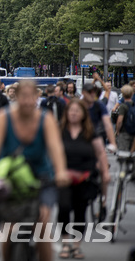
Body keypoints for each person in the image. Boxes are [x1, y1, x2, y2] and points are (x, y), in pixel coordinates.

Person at [0, 80, 69, 261]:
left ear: (37, 97)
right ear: (16, 97)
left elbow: (55, 148)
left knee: (42, 226)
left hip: (42, 178)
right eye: (22, 97)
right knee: (9, 228)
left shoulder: (45, 119)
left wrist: (61, 171)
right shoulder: (4, 117)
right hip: (12, 180)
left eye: (30, 97)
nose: (27, 102)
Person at [57, 98, 110, 260]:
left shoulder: (89, 132)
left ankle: (77, 246)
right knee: (64, 209)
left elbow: (100, 152)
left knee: (81, 212)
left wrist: (104, 171)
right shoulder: (60, 130)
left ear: (83, 114)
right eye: (71, 110)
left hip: (85, 178)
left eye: (77, 111)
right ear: (66, 113)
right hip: (64, 178)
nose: (73, 113)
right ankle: (65, 244)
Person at [81, 83, 117, 151]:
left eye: (93, 92)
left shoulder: (99, 105)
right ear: (83, 93)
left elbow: (108, 124)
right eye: (89, 92)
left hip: (97, 135)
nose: (92, 94)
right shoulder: (79, 105)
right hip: (83, 137)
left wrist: (113, 142)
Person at [116, 84, 135, 152]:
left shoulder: (123, 106)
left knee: (123, 153)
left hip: (125, 132)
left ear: (123, 94)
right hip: (133, 132)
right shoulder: (133, 105)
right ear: (132, 94)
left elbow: (120, 121)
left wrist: (118, 131)